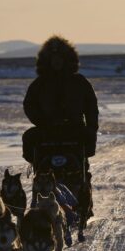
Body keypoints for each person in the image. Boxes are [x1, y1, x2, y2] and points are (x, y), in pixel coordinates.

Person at [22, 35, 99, 167]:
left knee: (88, 137)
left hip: (74, 128)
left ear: (67, 59)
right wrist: (41, 121)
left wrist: (91, 127)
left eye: (60, 58)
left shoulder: (79, 82)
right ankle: (39, 172)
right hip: (47, 129)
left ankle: (82, 175)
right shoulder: (40, 83)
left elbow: (91, 106)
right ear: (47, 61)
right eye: (53, 59)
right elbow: (29, 104)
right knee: (29, 137)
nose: (57, 62)